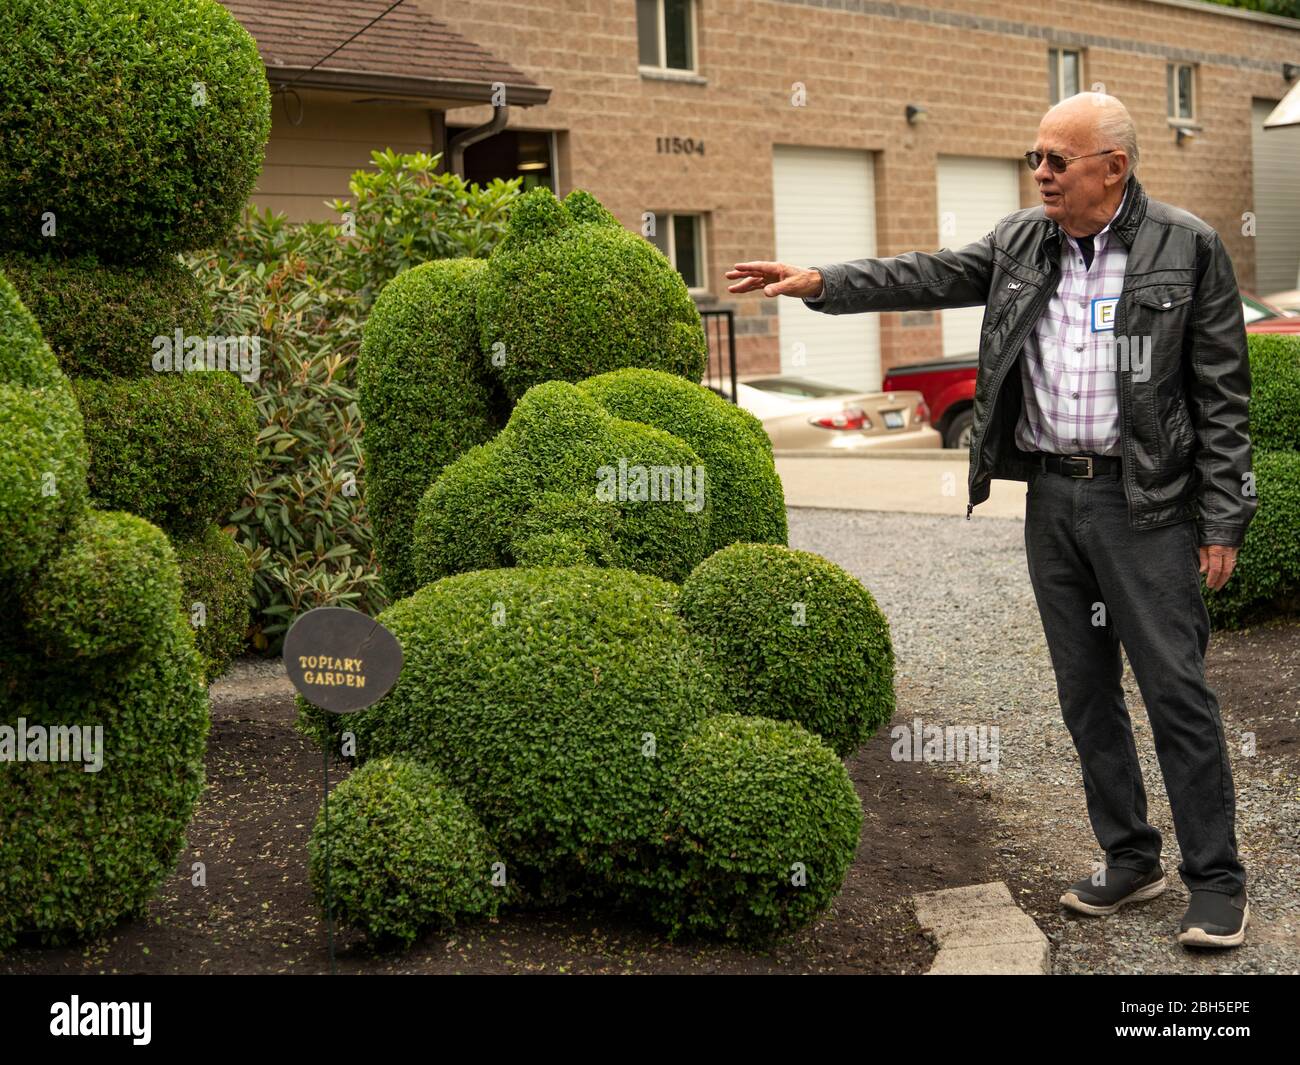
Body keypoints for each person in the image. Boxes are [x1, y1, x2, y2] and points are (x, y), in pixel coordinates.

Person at [727, 92, 1256, 949]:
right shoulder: (1021, 242)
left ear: (1112, 169)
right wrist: (823, 282)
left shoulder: (1186, 247)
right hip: (1053, 497)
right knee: (1085, 694)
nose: (1039, 173)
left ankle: (1218, 880)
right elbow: (926, 272)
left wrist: (1223, 516)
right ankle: (1130, 858)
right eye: (1034, 157)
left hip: (1147, 504)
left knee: (1176, 693)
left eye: (1057, 159)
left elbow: (1223, 398)